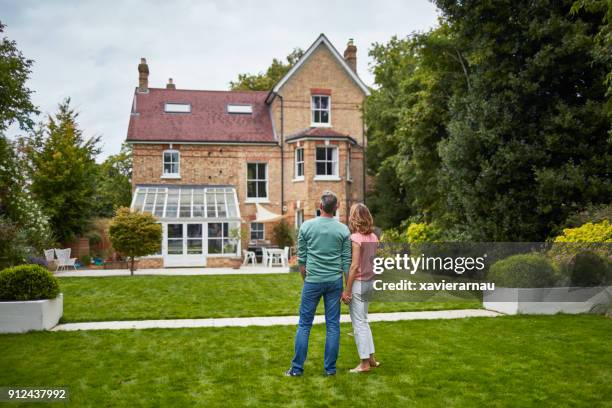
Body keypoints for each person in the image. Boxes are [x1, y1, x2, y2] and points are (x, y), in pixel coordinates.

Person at [285, 191, 351, 377]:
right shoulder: (343, 230)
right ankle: (330, 370)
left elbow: (302, 260)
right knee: (333, 326)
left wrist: (306, 279)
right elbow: (346, 262)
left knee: (304, 324)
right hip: (334, 282)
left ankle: (296, 369)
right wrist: (347, 288)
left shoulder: (306, 227)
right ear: (336, 208)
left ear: (320, 207)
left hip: (312, 282)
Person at [341, 203, 380, 373]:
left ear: (355, 218)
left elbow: (354, 266)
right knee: (364, 320)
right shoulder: (373, 237)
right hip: (370, 282)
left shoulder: (355, 238)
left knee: (359, 324)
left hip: (359, 284)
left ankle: (364, 363)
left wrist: (347, 290)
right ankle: (371, 359)